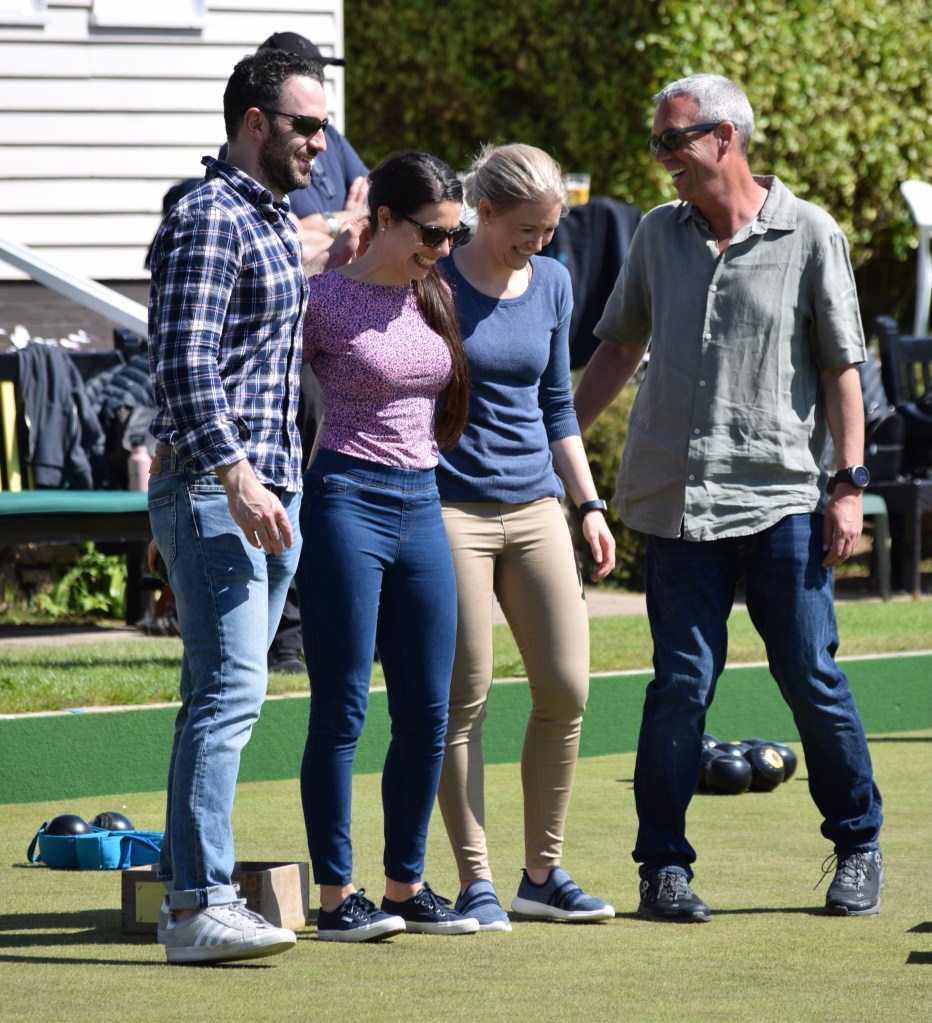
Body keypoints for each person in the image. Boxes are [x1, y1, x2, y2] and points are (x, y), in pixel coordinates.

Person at [573, 74, 884, 923]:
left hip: (783, 497)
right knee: (680, 682)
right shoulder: (655, 233)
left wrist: (849, 484)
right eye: (657, 141)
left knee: (809, 674)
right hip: (677, 501)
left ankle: (858, 843)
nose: (660, 156)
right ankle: (662, 868)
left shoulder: (810, 232)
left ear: (725, 137)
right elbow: (616, 348)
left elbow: (842, 368)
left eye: (672, 139)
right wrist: (550, 439)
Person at [146, 47, 359, 964]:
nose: (321, 142)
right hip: (217, 489)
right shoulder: (208, 217)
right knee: (228, 696)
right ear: (254, 122)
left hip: (270, 490)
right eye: (306, 125)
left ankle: (189, 888)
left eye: (325, 127)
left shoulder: (271, 218)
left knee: (222, 694)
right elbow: (184, 364)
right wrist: (237, 477)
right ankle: (197, 904)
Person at [296, 150, 480, 941]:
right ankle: (337, 897)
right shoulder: (321, 300)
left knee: (428, 710)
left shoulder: (434, 293)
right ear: (384, 220)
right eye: (431, 233)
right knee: (342, 707)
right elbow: (263, 390)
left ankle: (405, 887)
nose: (443, 248)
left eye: (452, 234)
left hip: (422, 503)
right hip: (345, 499)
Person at [434, 143, 617, 931]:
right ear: (484, 210)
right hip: (450, 509)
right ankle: (474, 880)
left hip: (537, 503)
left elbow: (556, 405)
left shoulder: (554, 282)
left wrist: (589, 504)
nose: (537, 244)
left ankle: (541, 875)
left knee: (567, 688)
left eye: (549, 231)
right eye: (526, 230)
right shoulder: (432, 280)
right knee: (464, 697)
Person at [256, 29, 370, 674]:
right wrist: (331, 226)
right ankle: (285, 639)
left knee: (327, 494)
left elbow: (371, 212)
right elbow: (288, 239)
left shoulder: (332, 138)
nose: (318, 137)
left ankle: (327, 634)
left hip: (333, 337)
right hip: (287, 351)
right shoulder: (268, 147)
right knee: (285, 486)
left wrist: (326, 230)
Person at [259, 30, 369, 270]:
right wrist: (351, 228)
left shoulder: (329, 136)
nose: (317, 84)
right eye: (309, 74)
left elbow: (380, 208)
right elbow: (296, 248)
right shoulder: (256, 155)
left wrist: (324, 223)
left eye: (320, 74)